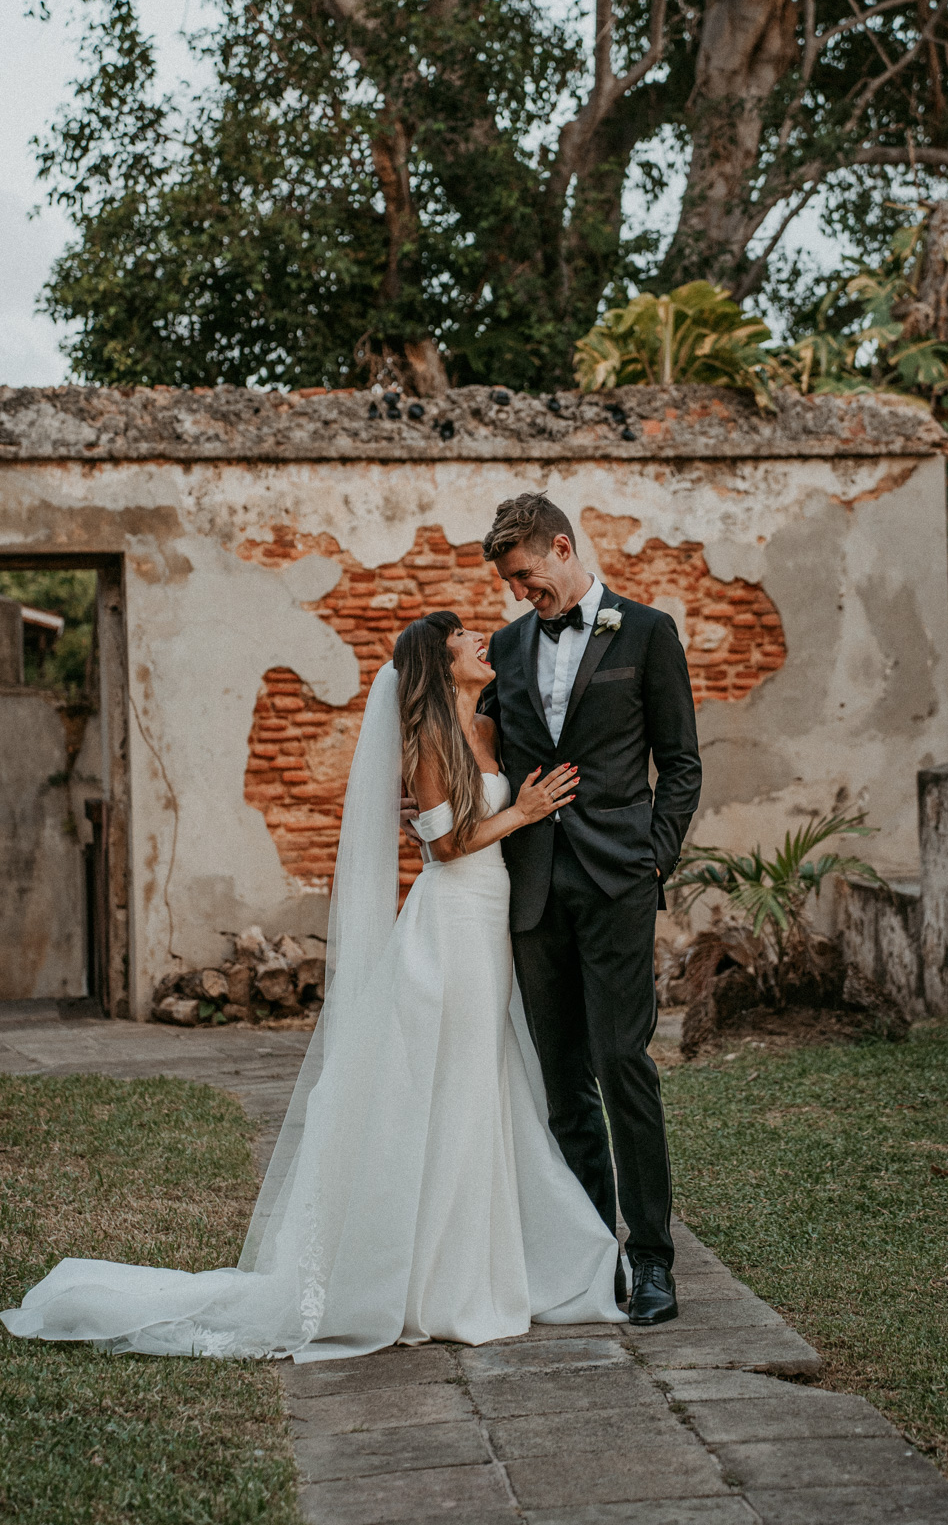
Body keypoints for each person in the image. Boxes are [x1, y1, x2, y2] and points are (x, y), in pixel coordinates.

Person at [1, 612, 623, 1360]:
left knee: (483, 1082)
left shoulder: (488, 729)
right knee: (447, 1081)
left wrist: (526, 806)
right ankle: (431, 1280)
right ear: (438, 658)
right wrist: (521, 812)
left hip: (492, 922)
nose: (480, 641)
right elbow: (447, 845)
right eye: (465, 638)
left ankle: (474, 1263)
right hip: (451, 920)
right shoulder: (427, 743)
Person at [478, 492, 702, 1327]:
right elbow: (480, 753)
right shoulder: (504, 647)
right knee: (564, 1082)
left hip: (617, 884)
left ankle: (652, 1262)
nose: (518, 596)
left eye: (527, 578)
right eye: (509, 584)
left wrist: (655, 855)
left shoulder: (646, 633)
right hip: (531, 890)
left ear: (564, 549)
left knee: (624, 1065)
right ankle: (588, 1258)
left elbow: (680, 762)